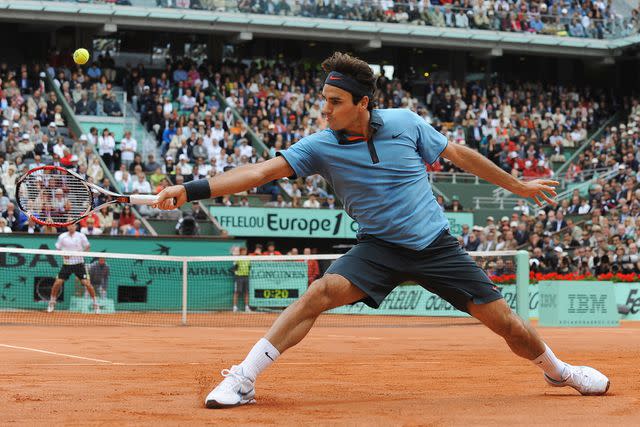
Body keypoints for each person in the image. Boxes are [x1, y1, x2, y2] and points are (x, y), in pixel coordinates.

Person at [155, 52, 609, 408]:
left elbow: (459, 156)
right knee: (319, 293)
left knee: (508, 325)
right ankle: (244, 378)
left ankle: (559, 371)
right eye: (324, 101)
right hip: (379, 249)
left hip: (435, 246)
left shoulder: (406, 124)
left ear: (363, 104)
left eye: (335, 102)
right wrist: (189, 190)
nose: (325, 110)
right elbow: (259, 172)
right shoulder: (320, 146)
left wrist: (516, 186)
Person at [47, 224, 100, 314]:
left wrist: (83, 254)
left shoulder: (81, 236)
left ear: (76, 226)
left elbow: (87, 246)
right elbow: (58, 248)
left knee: (87, 283)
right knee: (57, 283)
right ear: (67, 227)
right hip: (67, 264)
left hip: (79, 264)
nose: (71, 227)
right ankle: (52, 303)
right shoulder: (62, 236)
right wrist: (64, 254)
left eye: (73, 225)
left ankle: (96, 304)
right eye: (69, 225)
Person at [232, 247, 251, 313]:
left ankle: (246, 307)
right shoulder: (237, 258)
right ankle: (234, 307)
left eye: (245, 251)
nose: (244, 252)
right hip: (239, 277)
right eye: (242, 251)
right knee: (237, 292)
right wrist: (236, 273)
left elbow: (249, 267)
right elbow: (234, 267)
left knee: (246, 292)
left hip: (246, 277)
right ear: (240, 252)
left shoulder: (248, 258)